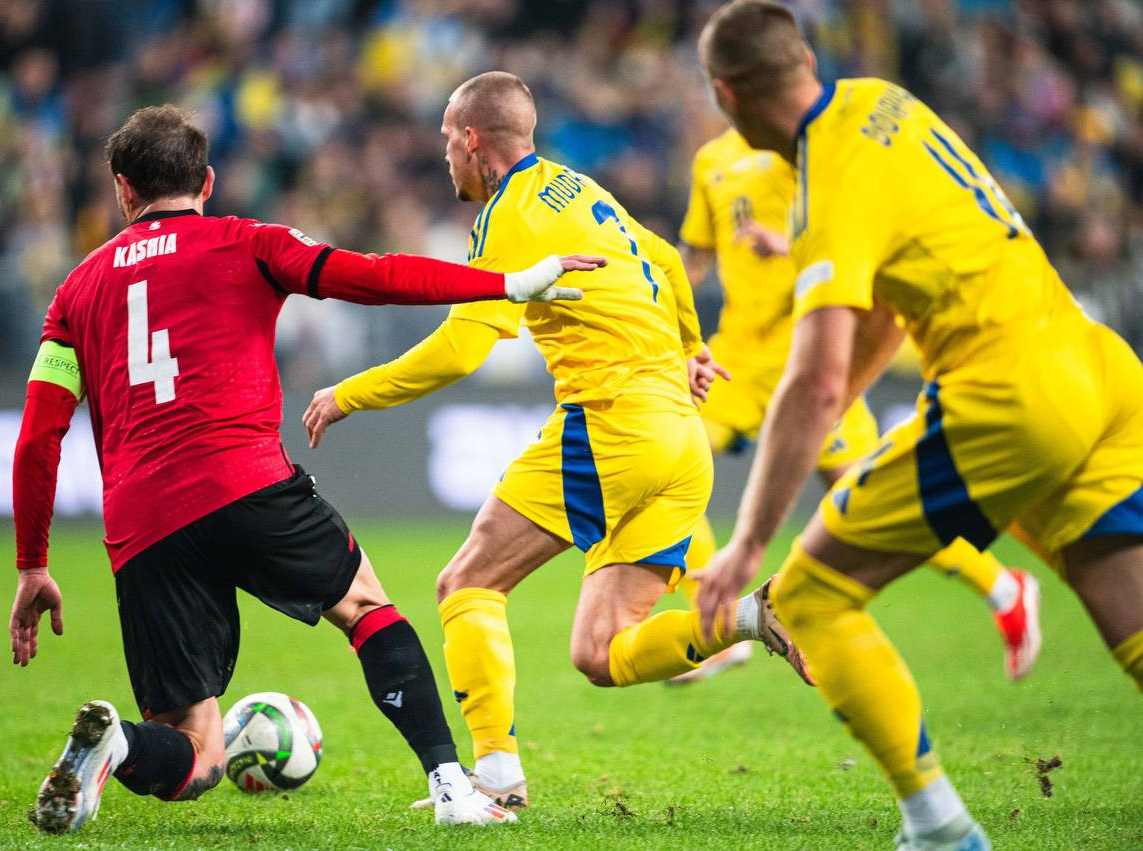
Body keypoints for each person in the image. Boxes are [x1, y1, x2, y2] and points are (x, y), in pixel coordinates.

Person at [8, 104, 598, 834]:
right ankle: (452, 786)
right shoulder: (248, 242)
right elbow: (372, 276)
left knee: (197, 754)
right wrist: (506, 284)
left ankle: (121, 742)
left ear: (123, 190)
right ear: (209, 180)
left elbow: (39, 435)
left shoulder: (74, 292)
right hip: (245, 480)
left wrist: (33, 562)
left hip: (143, 521)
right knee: (365, 607)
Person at [692, 3, 1143, 850]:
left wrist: (748, 541)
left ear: (728, 95)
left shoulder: (828, 179)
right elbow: (886, 320)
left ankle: (938, 828)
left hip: (1008, 393)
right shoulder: (885, 101)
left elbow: (817, 375)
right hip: (1099, 366)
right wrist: (837, 397)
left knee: (808, 594)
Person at [301, 71, 811, 812]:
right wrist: (693, 347)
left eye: (448, 140)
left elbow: (461, 348)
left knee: (466, 582)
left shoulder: (507, 215)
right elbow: (667, 262)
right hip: (679, 436)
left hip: (612, 424)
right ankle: (749, 616)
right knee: (599, 652)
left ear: (473, 141)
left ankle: (496, 777)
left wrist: (349, 392)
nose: (445, 157)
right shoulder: (579, 187)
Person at [670, 125, 1041, 684]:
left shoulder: (805, 147)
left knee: (866, 503)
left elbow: (859, 235)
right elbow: (695, 255)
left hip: (814, 355)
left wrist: (788, 243)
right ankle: (720, 624)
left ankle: (1003, 587)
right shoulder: (710, 160)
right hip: (737, 360)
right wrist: (661, 282)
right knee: (669, 460)